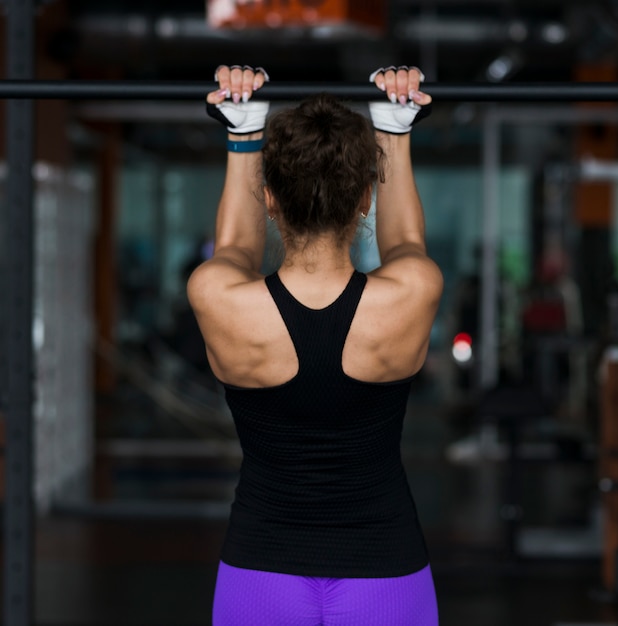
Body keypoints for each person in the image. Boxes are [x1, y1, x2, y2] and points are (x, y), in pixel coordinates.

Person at [187, 64, 443, 626]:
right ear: (363, 203)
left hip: (259, 571)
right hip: (386, 569)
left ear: (270, 199)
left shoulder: (219, 297)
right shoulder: (410, 295)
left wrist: (243, 131)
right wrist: (394, 130)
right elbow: (405, 242)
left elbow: (233, 246)